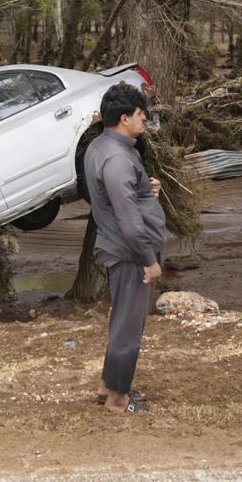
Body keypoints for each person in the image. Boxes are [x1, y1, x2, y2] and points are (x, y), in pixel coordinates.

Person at [83, 82, 164, 413]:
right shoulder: (117, 159)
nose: (143, 119)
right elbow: (129, 220)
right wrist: (149, 260)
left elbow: (113, 194)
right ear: (125, 118)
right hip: (130, 253)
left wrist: (146, 188)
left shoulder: (101, 147)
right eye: (140, 114)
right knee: (129, 327)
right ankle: (118, 400)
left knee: (122, 322)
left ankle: (108, 385)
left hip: (118, 246)